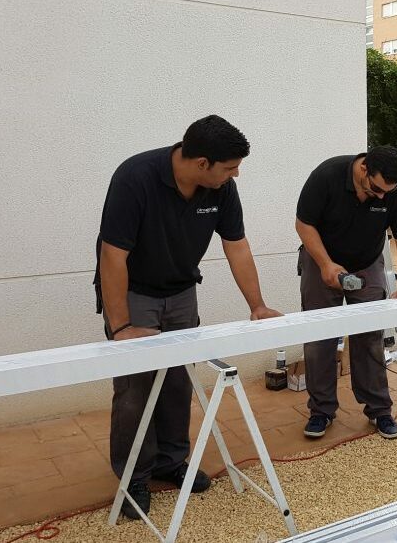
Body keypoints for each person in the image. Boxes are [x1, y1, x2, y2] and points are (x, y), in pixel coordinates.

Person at [94, 115, 282, 520]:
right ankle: (134, 478)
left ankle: (170, 462)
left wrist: (258, 305)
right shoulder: (135, 178)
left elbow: (237, 246)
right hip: (134, 293)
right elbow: (113, 255)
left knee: (179, 380)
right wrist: (123, 325)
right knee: (135, 389)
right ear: (201, 163)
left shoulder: (222, 188)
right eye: (230, 167)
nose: (236, 175)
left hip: (181, 292)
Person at [295, 145, 397, 440]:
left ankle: (379, 409)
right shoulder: (327, 175)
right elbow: (304, 224)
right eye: (376, 188)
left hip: (367, 262)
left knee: (370, 338)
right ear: (363, 169)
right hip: (321, 259)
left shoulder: (395, 190)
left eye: (387, 191)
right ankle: (321, 411)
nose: (381, 196)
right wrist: (326, 265)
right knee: (319, 338)